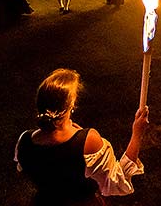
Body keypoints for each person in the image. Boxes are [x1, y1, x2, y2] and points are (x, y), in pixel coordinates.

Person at [15, 69, 148, 205]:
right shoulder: (87, 141)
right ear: (71, 105)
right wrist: (137, 133)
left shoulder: (24, 141)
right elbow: (116, 182)